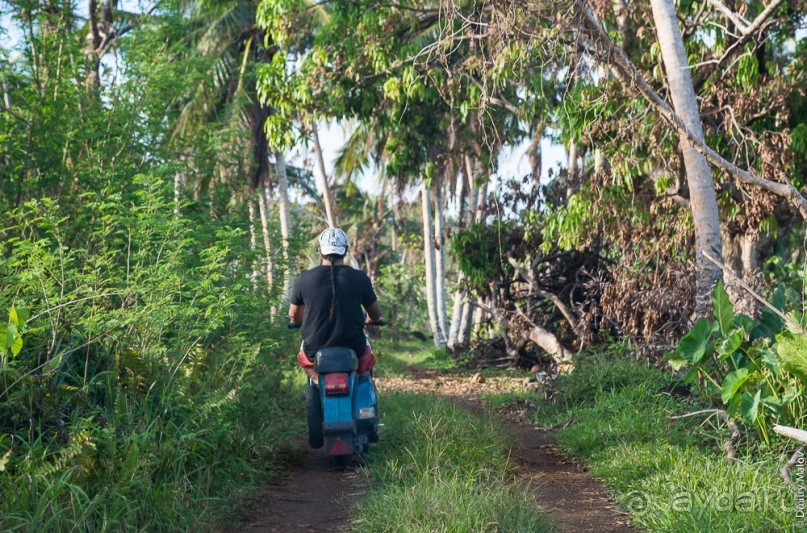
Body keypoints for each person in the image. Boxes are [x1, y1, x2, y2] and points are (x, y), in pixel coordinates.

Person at [288, 227, 382, 383]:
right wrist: (370, 319)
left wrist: (296, 322)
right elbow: (376, 314)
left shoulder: (305, 279)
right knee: (365, 362)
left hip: (315, 348)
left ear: (320, 251)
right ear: (345, 251)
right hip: (354, 346)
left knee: (303, 356)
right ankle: (363, 384)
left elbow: (293, 315)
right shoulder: (360, 278)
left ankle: (317, 380)